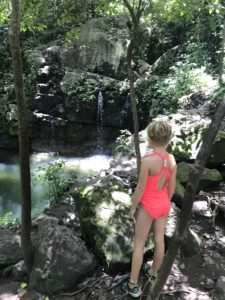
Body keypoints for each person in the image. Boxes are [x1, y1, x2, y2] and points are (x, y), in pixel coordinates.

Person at [122, 120, 177, 298]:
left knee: (139, 243)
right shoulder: (171, 159)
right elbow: (172, 187)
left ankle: (132, 285)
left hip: (148, 207)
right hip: (163, 205)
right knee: (159, 240)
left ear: (151, 139)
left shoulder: (148, 161)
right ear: (168, 139)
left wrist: (133, 207)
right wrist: (165, 203)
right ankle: (153, 273)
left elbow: (140, 188)